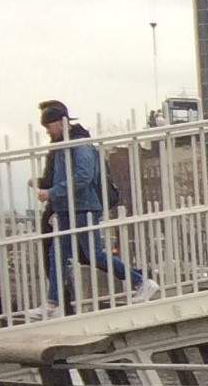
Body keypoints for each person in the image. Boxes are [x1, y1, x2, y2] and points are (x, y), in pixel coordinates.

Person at [34, 100, 142, 309]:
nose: (47, 132)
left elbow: (84, 175)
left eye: (48, 126)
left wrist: (52, 193)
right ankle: (53, 302)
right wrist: (55, 205)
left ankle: (139, 280)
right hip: (68, 209)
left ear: (61, 122)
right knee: (57, 253)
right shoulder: (62, 146)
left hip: (83, 208)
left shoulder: (78, 143)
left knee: (94, 255)